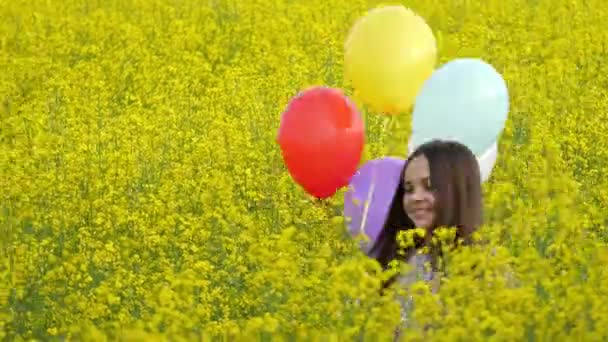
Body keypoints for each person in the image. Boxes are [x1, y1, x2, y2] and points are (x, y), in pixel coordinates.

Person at [368, 139, 483, 335]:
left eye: (429, 186)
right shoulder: (400, 263)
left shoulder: (486, 270)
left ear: (458, 190)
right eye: (408, 189)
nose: (415, 198)